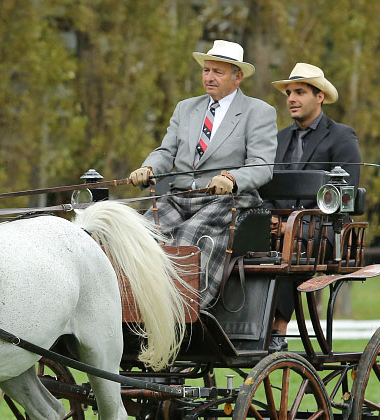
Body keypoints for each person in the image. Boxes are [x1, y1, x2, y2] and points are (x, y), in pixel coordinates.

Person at [128, 39, 277, 307]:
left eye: (217, 72)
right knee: (142, 234)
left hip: (229, 200)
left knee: (188, 236)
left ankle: (183, 308)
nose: (209, 77)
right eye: (206, 70)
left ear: (237, 77)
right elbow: (165, 152)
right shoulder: (186, 108)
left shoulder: (259, 112)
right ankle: (137, 305)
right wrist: (148, 168)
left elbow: (262, 165)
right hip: (181, 195)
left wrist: (232, 179)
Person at [270, 63, 362, 347]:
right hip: (280, 227)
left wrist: (291, 223)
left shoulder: (341, 136)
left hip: (324, 230)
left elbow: (343, 194)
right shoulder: (279, 138)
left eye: (299, 92)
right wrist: (269, 217)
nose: (291, 99)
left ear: (319, 96)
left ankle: (277, 329)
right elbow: (265, 185)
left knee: (289, 245)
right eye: (288, 93)